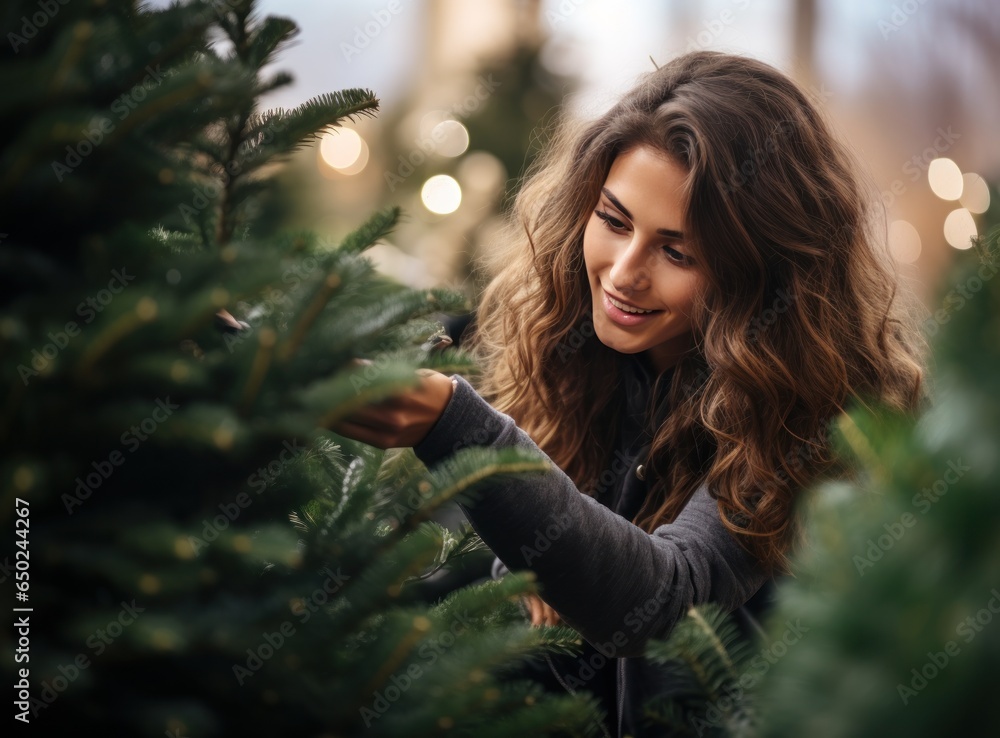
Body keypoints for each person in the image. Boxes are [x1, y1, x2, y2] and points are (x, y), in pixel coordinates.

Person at [330, 50, 926, 737]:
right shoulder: (570, 348)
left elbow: (665, 601)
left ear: (760, 272)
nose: (623, 274)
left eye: (678, 253)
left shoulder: (813, 418)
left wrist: (459, 429)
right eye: (614, 221)